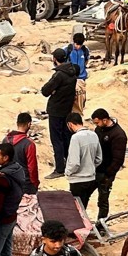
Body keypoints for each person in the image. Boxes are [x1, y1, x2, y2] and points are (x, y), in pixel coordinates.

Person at [42, 48, 80, 179]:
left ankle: (59, 169)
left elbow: (45, 90)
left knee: (56, 139)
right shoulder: (73, 71)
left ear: (55, 59)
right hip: (67, 110)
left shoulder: (59, 75)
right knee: (66, 137)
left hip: (56, 111)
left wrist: (54, 91)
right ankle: (70, 163)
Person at [90, 109, 127, 223]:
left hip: (106, 173)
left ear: (105, 120)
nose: (96, 125)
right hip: (94, 170)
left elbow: (118, 159)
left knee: (103, 200)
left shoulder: (118, 135)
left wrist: (108, 174)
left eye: (97, 122)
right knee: (84, 196)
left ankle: (101, 225)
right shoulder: (99, 129)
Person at [65, 113, 102, 210]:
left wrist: (68, 172)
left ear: (70, 124)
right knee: (83, 207)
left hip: (78, 180)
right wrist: (90, 167)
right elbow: (99, 158)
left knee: (76, 210)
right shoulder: (93, 134)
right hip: (91, 179)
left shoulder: (75, 138)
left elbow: (74, 163)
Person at [2, 112, 40, 195]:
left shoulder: (5, 140)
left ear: (17, 123)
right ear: (29, 124)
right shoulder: (29, 144)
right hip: (25, 183)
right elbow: (32, 167)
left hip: (8, 180)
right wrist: (35, 183)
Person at [66, 33, 90, 113]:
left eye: (80, 45)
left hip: (81, 78)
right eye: (77, 44)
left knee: (81, 99)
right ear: (73, 42)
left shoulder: (85, 50)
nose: (78, 46)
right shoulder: (68, 49)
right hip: (70, 78)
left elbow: (86, 60)